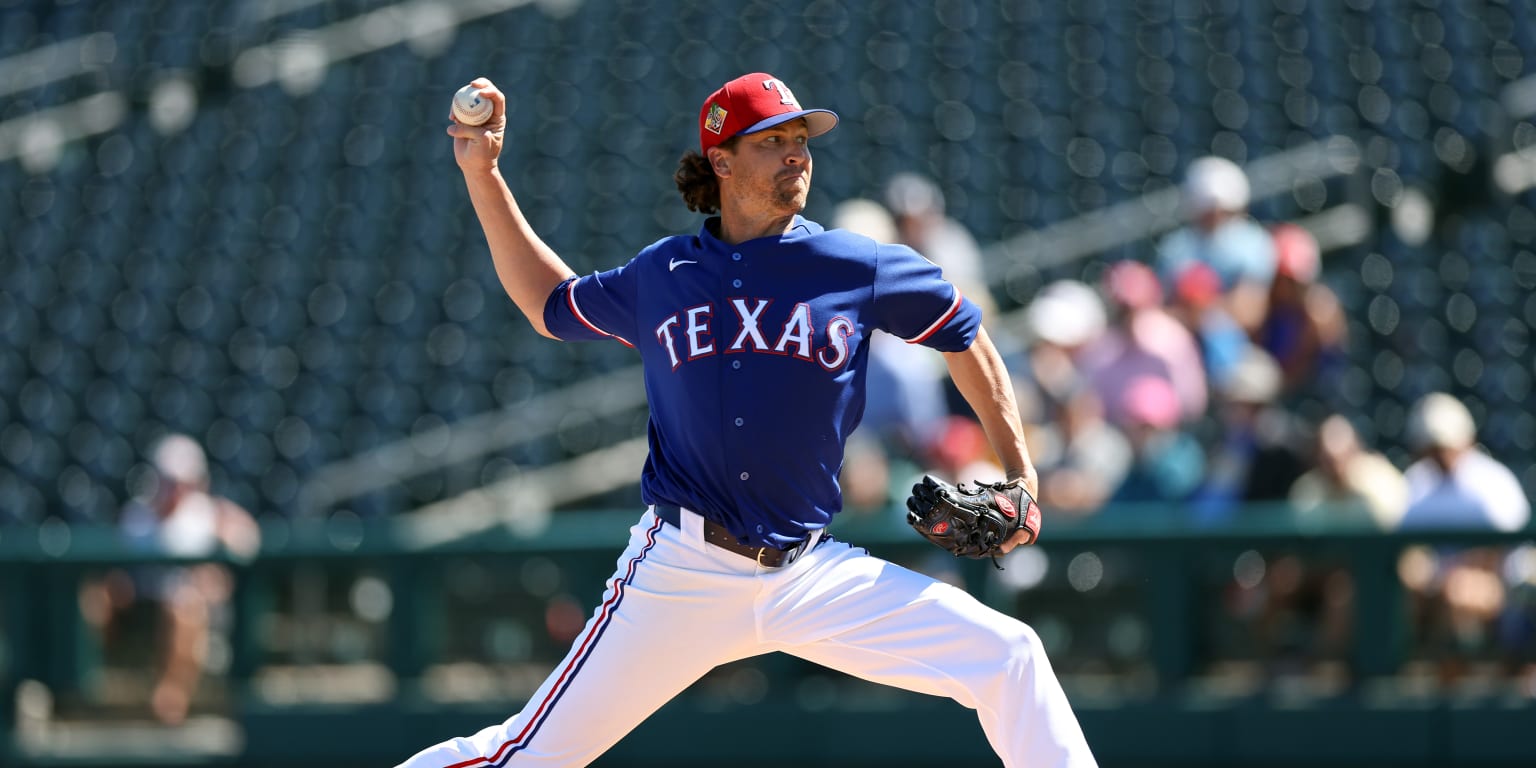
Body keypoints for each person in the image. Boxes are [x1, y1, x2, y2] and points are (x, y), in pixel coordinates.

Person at [398, 73, 1097, 767]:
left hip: (810, 571)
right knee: (522, 757)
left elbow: (964, 332)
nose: (798, 154)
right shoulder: (664, 272)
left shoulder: (855, 265)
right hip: (681, 570)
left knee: (1010, 656)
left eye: (802, 140)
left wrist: (1020, 475)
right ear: (722, 161)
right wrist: (484, 173)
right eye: (774, 141)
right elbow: (551, 305)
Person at [80, 433, 260, 724]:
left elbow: (247, 538)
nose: (176, 489)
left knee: (183, 605)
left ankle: (171, 697)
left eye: (183, 482)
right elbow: (118, 573)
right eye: (170, 480)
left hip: (188, 607)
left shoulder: (208, 514)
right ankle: (88, 680)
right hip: (141, 603)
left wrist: (215, 577)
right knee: (95, 598)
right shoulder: (136, 514)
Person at [1154, 155, 1276, 335]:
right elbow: (1161, 313)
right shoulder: (1175, 249)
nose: (1214, 216)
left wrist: (1197, 312)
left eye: (1222, 211)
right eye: (1207, 210)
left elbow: (1248, 314)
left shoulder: (1253, 243)